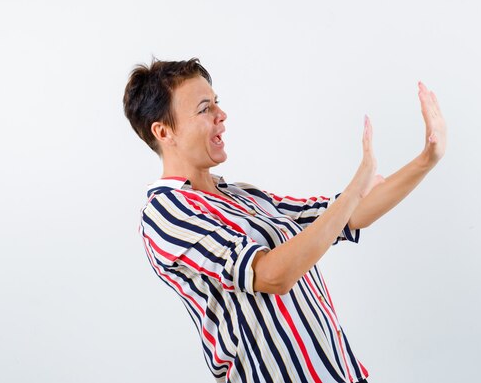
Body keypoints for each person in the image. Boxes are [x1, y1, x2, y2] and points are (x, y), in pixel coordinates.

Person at [122, 58, 447, 383]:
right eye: (205, 108)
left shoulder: (242, 195)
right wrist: (354, 191)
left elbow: (347, 216)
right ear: (164, 132)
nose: (221, 115)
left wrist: (426, 159)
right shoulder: (163, 212)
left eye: (217, 103)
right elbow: (272, 275)